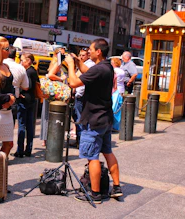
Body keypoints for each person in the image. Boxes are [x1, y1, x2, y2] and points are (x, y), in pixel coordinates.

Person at [65, 38, 123, 204]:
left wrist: (70, 66)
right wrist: (77, 62)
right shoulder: (107, 67)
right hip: (105, 117)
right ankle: (117, 187)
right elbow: (86, 71)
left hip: (94, 119)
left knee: (92, 157)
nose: (88, 52)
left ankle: (95, 193)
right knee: (107, 151)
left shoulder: (99, 69)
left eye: (90, 49)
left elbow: (74, 82)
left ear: (98, 51)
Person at [13, 53, 39, 158]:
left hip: (25, 101)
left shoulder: (28, 71)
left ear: (28, 61)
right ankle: (28, 150)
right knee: (29, 126)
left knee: (22, 125)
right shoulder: (33, 71)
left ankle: (20, 150)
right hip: (31, 100)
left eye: (22, 60)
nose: (21, 62)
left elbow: (28, 86)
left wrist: (20, 89)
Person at [40, 47, 67, 147]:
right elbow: (50, 75)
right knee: (50, 114)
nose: (63, 56)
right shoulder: (57, 64)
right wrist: (61, 78)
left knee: (47, 115)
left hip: (51, 93)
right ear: (56, 55)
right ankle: (48, 138)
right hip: (53, 94)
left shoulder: (55, 63)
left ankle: (46, 138)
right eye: (61, 54)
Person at [72, 48, 95, 147]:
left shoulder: (88, 65)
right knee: (77, 118)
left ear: (88, 56)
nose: (81, 57)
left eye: (83, 55)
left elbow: (81, 84)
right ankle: (79, 140)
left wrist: (77, 94)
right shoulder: (82, 64)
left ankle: (81, 141)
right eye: (80, 55)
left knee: (80, 118)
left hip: (81, 96)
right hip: (78, 95)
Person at [3, 46, 29, 124]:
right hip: (13, 100)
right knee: (10, 126)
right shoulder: (20, 68)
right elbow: (26, 87)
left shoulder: (0, 65)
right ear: (15, 56)